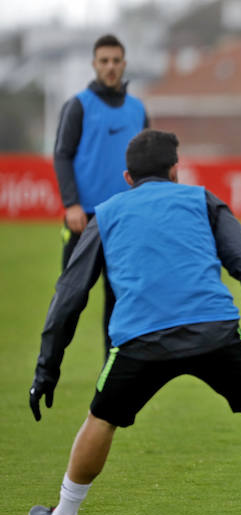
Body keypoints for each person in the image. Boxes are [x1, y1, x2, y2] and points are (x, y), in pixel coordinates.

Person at [27, 130, 241, 515]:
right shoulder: (202, 200)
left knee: (101, 419)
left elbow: (69, 295)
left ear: (127, 177)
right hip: (215, 331)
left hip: (140, 339)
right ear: (176, 169)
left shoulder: (107, 213)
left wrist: (47, 369)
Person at [53, 33, 149, 351]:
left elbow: (149, 164)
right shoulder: (78, 106)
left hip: (125, 220)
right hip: (84, 220)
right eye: (104, 61)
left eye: (116, 61)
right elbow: (62, 155)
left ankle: (112, 378)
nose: (110, 67)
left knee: (120, 303)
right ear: (94, 64)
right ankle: (49, 367)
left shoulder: (138, 110)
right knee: (69, 299)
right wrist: (71, 205)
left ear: (124, 64)